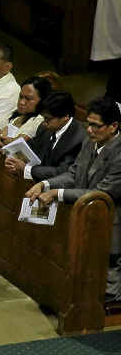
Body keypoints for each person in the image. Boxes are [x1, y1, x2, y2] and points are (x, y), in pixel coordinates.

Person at [26, 97, 121, 301]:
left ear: (113, 126)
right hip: (84, 217)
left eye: (96, 126)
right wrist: (46, 184)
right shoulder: (90, 142)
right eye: (88, 124)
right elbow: (74, 173)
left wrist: (56, 194)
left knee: (107, 292)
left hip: (111, 224)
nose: (89, 130)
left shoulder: (119, 153)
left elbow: (101, 192)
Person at [4, 90, 84, 182]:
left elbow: (62, 171)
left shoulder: (79, 139)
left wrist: (26, 169)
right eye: (44, 117)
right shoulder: (44, 127)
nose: (44, 123)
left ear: (65, 117)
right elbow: (33, 149)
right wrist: (14, 157)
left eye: (48, 119)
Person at [0, 75, 51, 149]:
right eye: (21, 97)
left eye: (28, 99)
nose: (21, 102)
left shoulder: (39, 120)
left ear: (42, 101)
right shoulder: (16, 113)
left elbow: (16, 144)